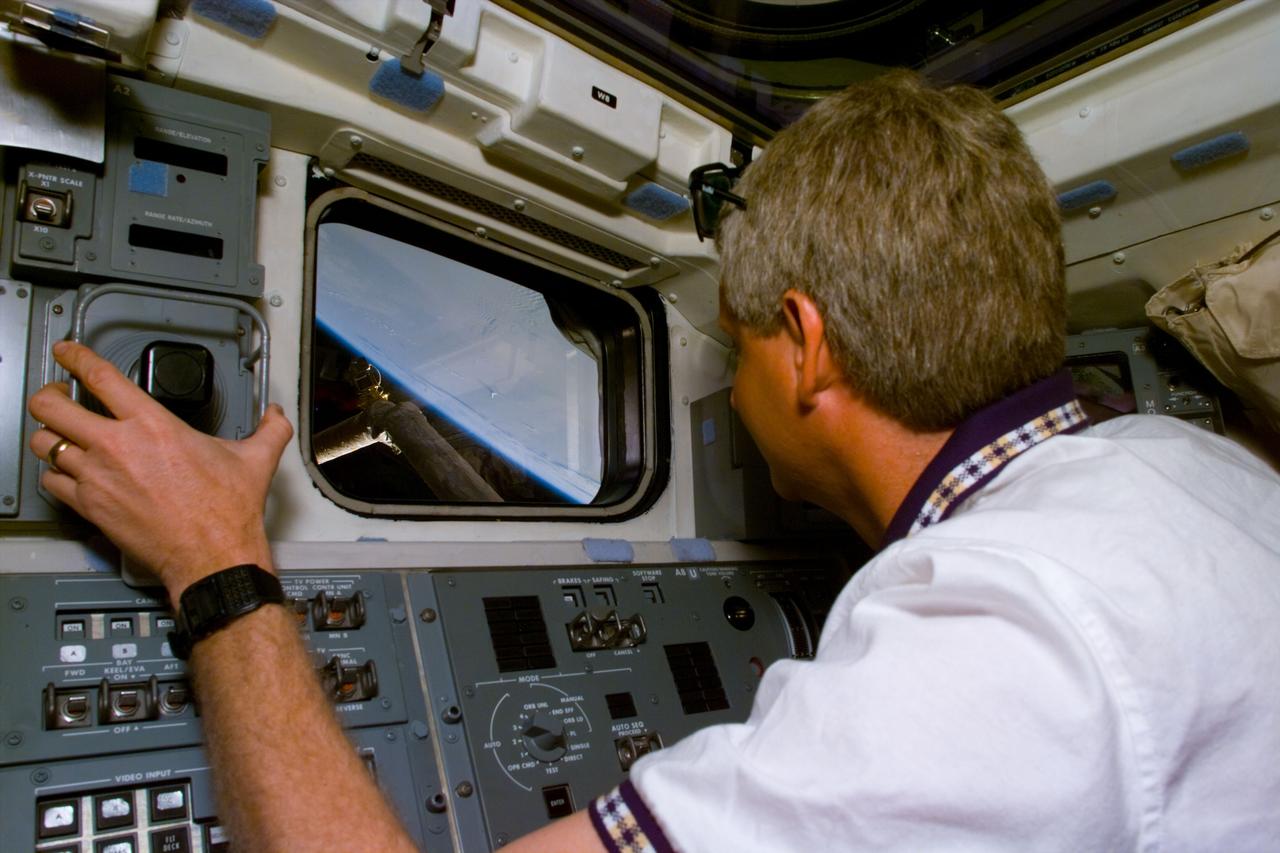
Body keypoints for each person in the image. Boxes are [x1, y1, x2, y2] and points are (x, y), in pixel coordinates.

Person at [27, 70, 1280, 852]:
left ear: (802, 351)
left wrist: (219, 567)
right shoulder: (1195, 467)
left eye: (733, 347)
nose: (724, 392)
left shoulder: (992, 645)